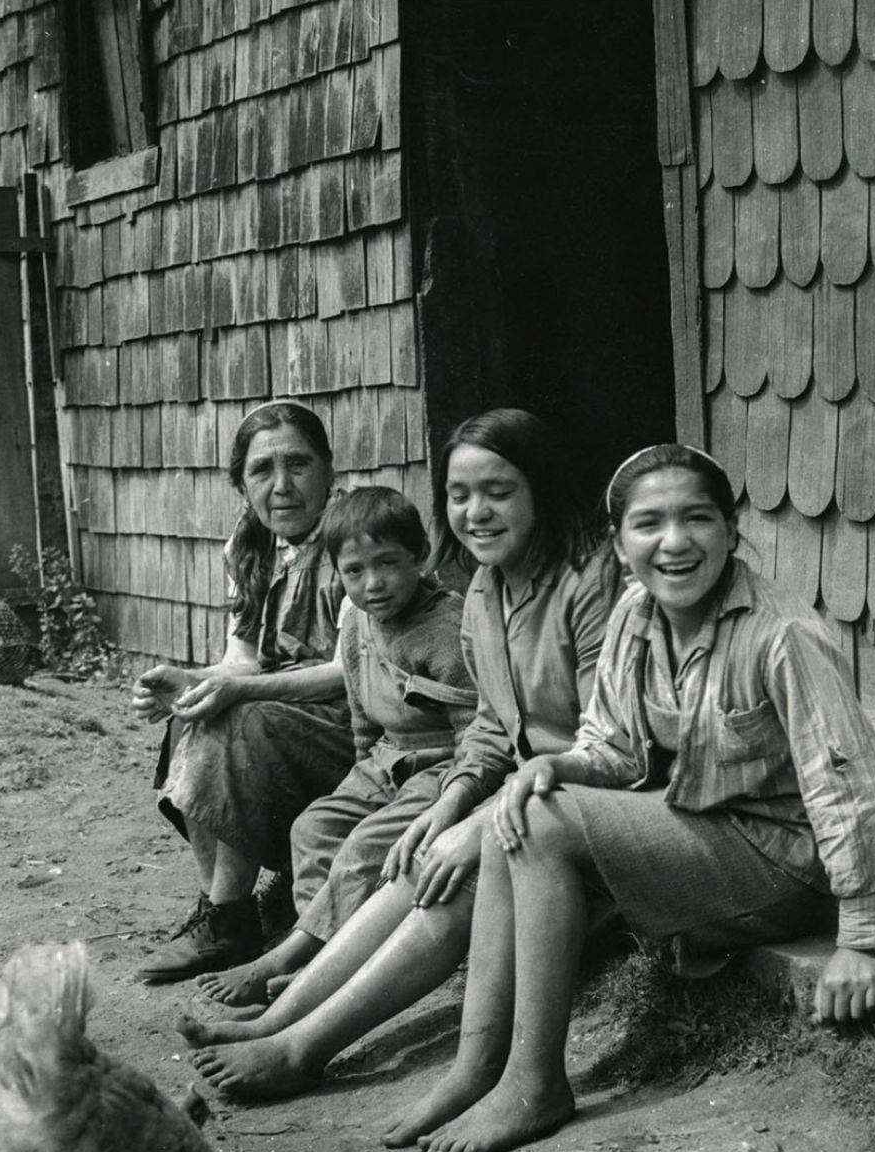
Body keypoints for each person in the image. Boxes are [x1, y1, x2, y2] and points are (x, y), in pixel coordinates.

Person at [397, 441, 875, 1152]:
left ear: (731, 531)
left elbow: (852, 786)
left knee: (542, 821)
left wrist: (859, 941)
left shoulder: (781, 634)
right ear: (619, 542)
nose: (674, 543)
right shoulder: (638, 614)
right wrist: (555, 765)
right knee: (525, 805)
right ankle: (477, 1067)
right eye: (649, 524)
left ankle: (533, 1084)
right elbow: (613, 748)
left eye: (697, 518)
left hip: (790, 866)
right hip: (711, 832)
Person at [185, 407, 617, 1108]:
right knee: (413, 860)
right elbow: (490, 725)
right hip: (523, 796)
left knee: (447, 880)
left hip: (583, 804)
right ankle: (282, 1019)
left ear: (540, 488)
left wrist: (472, 816)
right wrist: (448, 804)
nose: (476, 512)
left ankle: (306, 1046)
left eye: (498, 491)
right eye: (459, 494)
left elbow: (609, 742)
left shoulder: (588, 584)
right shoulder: (488, 587)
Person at [190, 484, 477, 1009]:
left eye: (387, 563)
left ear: (420, 556)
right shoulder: (358, 627)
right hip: (385, 761)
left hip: (442, 765)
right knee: (315, 827)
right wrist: (363, 779)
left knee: (366, 847)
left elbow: (473, 729)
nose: (374, 584)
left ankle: (293, 961)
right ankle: (327, 954)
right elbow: (365, 721)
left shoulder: (447, 627)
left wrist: (449, 793)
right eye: (354, 572)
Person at [134, 401, 354, 984]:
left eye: (298, 464)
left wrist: (235, 691)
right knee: (194, 713)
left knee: (238, 717)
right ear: (240, 482)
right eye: (262, 470)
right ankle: (220, 912)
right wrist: (190, 681)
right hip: (286, 716)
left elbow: (348, 672)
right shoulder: (250, 545)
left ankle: (229, 923)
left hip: (354, 725)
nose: (282, 486)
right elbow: (243, 662)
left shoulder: (353, 534)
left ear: (330, 469)